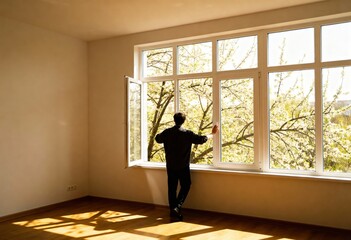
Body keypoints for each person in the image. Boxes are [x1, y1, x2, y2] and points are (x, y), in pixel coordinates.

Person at [155, 112, 219, 221]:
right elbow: (201, 139)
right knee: (186, 185)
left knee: (172, 188)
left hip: (170, 165)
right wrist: (212, 134)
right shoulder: (187, 134)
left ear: (174, 120)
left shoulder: (167, 133)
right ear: (183, 121)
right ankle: (177, 207)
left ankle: (173, 210)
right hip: (183, 166)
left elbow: (157, 139)